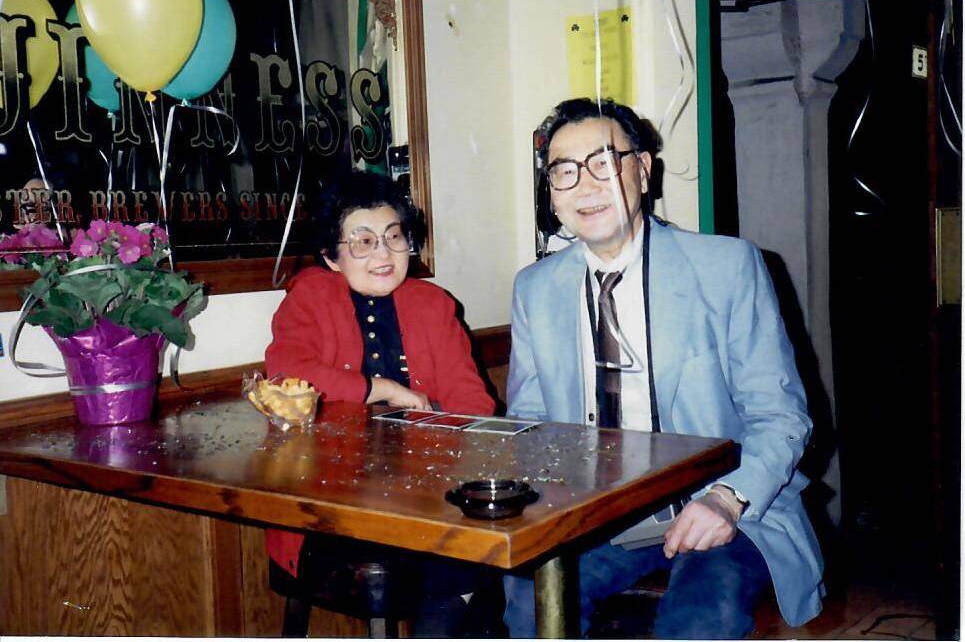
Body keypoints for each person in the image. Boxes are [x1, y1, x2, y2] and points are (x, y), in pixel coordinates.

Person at [503, 98, 824, 639]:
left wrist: (726, 498)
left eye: (604, 160)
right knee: (528, 598)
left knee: (702, 613)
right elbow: (530, 423)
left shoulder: (726, 266)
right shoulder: (535, 289)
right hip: (599, 518)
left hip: (726, 502)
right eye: (564, 170)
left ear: (644, 170)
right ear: (551, 193)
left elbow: (782, 416)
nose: (585, 184)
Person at [264, 170, 500, 636]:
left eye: (394, 238)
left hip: (428, 494)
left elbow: (473, 401)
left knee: (478, 544)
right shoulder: (310, 295)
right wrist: (383, 389)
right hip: (329, 501)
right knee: (464, 556)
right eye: (363, 241)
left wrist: (444, 448)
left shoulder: (434, 304)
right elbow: (286, 371)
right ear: (332, 255)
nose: (384, 253)